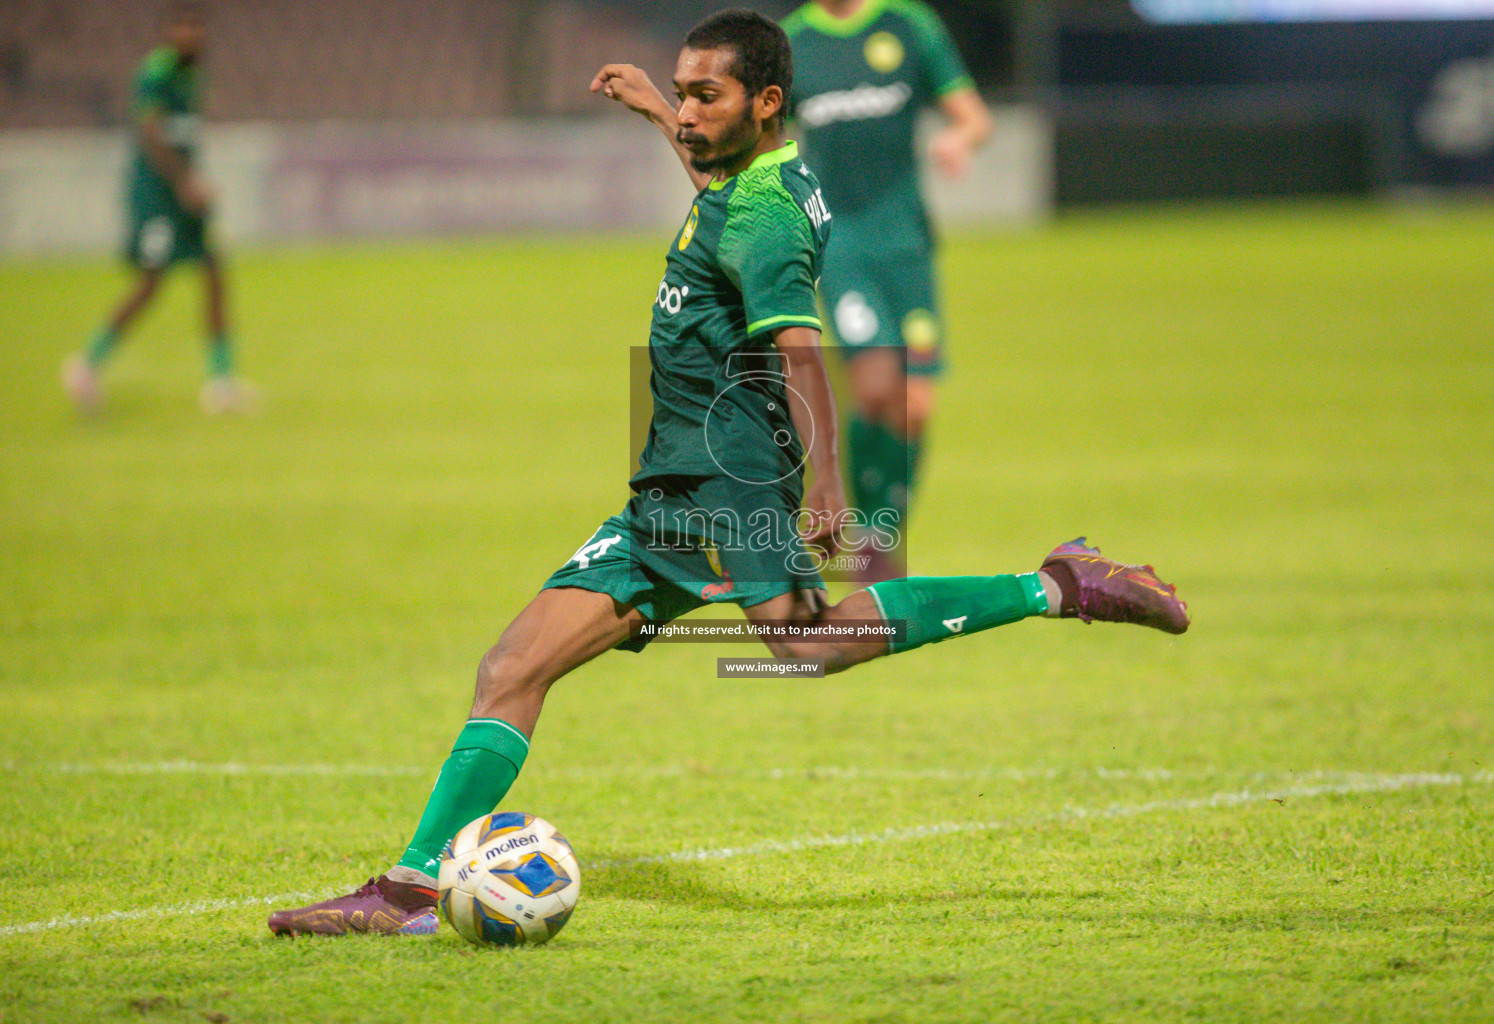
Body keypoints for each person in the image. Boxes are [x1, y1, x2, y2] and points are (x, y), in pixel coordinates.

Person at [267, 8, 1187, 939]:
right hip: (671, 487)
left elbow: (798, 353)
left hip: (732, 484)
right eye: (685, 91)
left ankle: (1056, 585)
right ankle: (410, 891)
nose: (689, 110)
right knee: (513, 666)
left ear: (769, 100)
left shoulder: (768, 217)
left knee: (807, 644)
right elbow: (718, 189)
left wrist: (827, 490)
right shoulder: (763, 176)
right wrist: (655, 113)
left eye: (706, 95)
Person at [782, 0, 993, 579]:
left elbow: (974, 115)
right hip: (839, 244)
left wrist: (959, 139)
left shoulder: (910, 25)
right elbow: (762, 138)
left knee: (916, 406)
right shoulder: (793, 43)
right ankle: (844, 517)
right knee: (877, 385)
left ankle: (878, 538)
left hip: (907, 247)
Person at [61, 0, 254, 416]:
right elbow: (150, 134)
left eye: (196, 28)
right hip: (158, 200)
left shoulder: (192, 77)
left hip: (185, 198)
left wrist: (196, 179)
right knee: (151, 283)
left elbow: (185, 136)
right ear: (168, 31)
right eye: (182, 27)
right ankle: (86, 364)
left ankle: (221, 383)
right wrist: (186, 181)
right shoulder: (157, 71)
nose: (190, 35)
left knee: (215, 271)